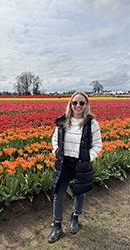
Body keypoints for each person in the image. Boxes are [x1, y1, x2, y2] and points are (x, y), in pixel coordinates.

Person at [48, 90, 102, 243]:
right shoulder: (63, 121)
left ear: (86, 105)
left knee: (80, 191)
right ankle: (57, 225)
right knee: (59, 193)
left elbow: (98, 145)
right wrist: (56, 152)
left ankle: (75, 217)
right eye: (75, 102)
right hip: (64, 162)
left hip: (81, 162)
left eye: (81, 103)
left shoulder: (91, 123)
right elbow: (55, 140)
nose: (78, 105)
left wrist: (87, 158)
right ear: (70, 104)